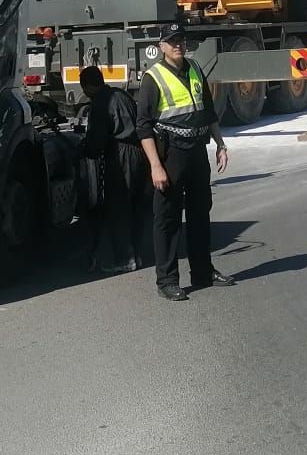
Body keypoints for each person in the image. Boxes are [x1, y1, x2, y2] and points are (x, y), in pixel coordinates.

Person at [136, 27, 232, 302]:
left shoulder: (194, 68)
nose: (179, 45)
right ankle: (167, 280)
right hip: (171, 155)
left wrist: (221, 145)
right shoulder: (152, 78)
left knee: (200, 213)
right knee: (167, 219)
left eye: (181, 41)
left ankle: (203, 272)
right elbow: (143, 128)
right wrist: (155, 165)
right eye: (173, 42)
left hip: (197, 152)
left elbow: (208, 111)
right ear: (162, 46)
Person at [81, 64, 147, 275]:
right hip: (138, 152)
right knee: (135, 206)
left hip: (119, 154)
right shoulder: (121, 94)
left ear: (88, 87)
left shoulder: (101, 102)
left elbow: (97, 139)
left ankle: (125, 258)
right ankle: (136, 253)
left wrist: (87, 150)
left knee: (118, 208)